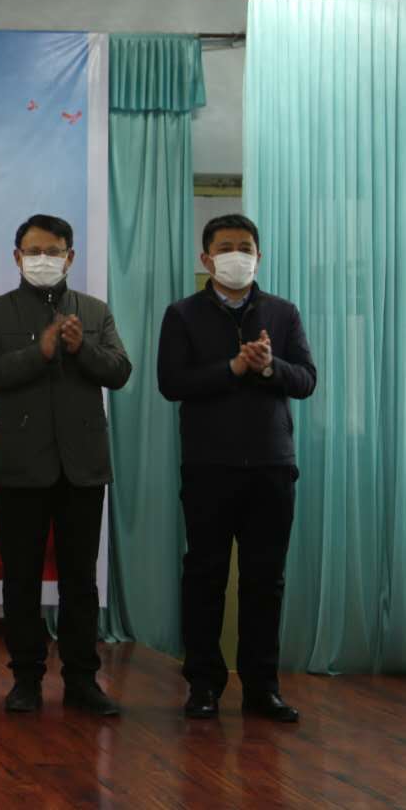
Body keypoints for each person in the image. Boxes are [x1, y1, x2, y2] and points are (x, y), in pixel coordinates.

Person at [0, 214, 131, 717]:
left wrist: (82, 349)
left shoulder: (94, 311)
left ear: (70, 257)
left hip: (83, 467)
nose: (44, 260)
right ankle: (26, 678)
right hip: (21, 466)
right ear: (17, 257)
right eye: (34, 252)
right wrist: (38, 352)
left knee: (80, 579)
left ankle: (82, 679)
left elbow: (120, 371)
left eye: (53, 251)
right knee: (20, 577)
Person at [157, 213, 316, 724]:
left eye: (245, 247)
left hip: (272, 467)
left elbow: (307, 379)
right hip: (209, 467)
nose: (236, 255)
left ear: (259, 257)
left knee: (265, 581)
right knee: (205, 577)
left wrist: (269, 366)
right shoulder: (182, 314)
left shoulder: (283, 313)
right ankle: (203, 685)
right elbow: (171, 382)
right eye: (225, 247)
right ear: (206, 259)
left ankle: (262, 688)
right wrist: (232, 368)